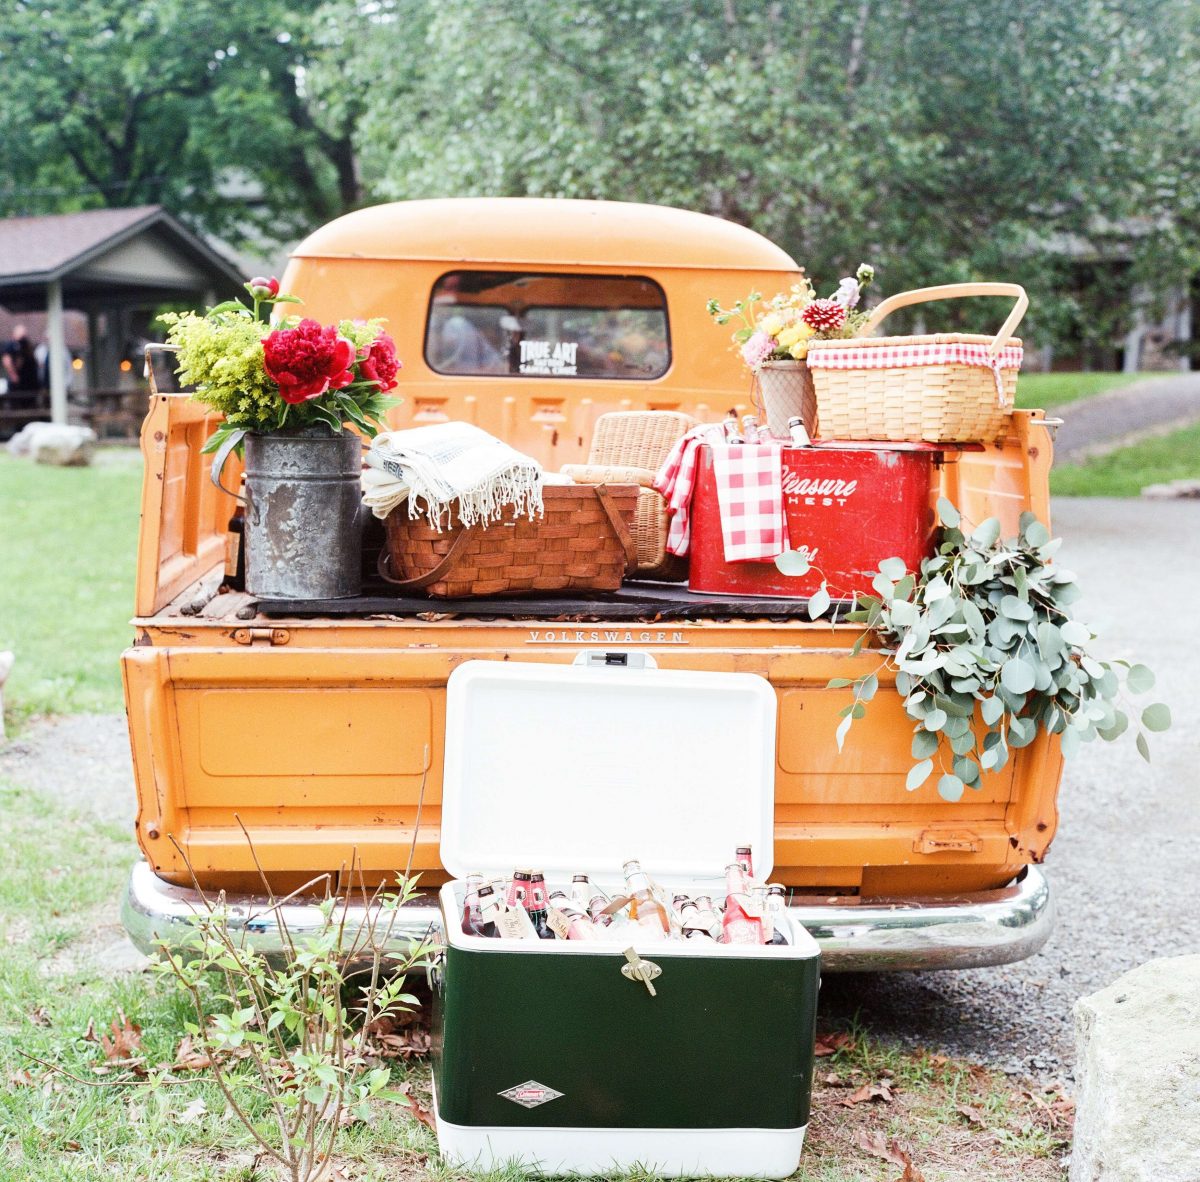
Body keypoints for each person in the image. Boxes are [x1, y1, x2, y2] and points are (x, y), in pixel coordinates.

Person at [2, 325, 41, 408]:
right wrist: (14, 375)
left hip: (29, 385)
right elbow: (7, 361)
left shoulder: (27, 347)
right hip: (19, 387)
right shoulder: (11, 345)